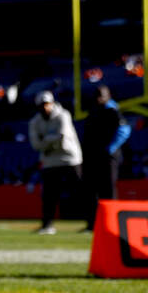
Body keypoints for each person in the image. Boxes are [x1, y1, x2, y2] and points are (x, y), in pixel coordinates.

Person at [28, 91, 83, 235]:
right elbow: (36, 145)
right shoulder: (34, 122)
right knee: (49, 195)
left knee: (82, 191)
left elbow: (62, 137)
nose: (45, 107)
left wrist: (45, 140)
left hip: (70, 158)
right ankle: (47, 225)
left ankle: (92, 223)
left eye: (47, 104)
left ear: (52, 103)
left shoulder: (63, 115)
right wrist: (52, 141)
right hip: (50, 161)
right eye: (42, 105)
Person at [81, 86, 131, 231]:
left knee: (108, 189)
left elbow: (124, 130)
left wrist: (110, 148)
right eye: (97, 96)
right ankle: (93, 224)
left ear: (108, 96)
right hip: (93, 156)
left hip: (108, 157)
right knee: (92, 190)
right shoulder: (94, 111)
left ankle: (111, 224)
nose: (98, 99)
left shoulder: (112, 111)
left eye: (101, 96)